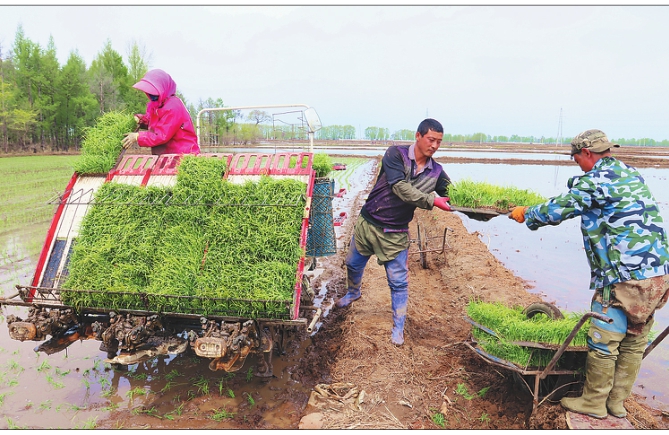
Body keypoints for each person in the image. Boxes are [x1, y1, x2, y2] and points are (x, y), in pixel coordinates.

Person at [508, 129, 669, 419]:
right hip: (659, 273)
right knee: (634, 339)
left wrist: (526, 213)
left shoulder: (594, 180)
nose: (577, 165)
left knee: (604, 337)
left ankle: (594, 402)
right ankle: (617, 403)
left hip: (625, 276)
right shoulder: (630, 173)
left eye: (576, 159)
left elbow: (559, 209)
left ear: (586, 154)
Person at [335, 118, 453, 346]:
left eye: (439, 141)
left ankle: (398, 327)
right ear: (418, 136)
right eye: (431, 139)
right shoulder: (395, 154)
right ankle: (353, 292)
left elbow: (456, 195)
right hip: (368, 223)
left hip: (396, 233)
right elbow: (398, 186)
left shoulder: (436, 172)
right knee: (352, 264)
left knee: (398, 282)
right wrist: (432, 200)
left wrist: (486, 209)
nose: (435, 145)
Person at [121, 69, 200, 155]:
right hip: (167, 156)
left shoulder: (173, 106)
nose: (150, 94)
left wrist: (138, 136)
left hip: (182, 155)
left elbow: (161, 135)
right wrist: (140, 119)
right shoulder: (158, 105)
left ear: (163, 89)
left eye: (153, 91)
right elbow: (153, 121)